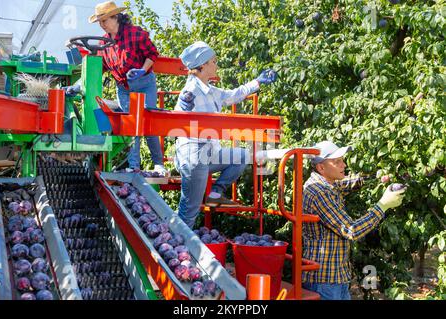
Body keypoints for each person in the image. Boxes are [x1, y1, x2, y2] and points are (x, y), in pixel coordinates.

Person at [174, 41, 277, 228]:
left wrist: (258, 82)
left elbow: (233, 95)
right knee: (190, 209)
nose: (216, 65)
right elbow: (178, 113)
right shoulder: (190, 90)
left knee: (242, 156)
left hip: (209, 153)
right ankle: (176, 248)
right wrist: (183, 105)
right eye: (213, 61)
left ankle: (215, 195)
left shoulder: (211, 91)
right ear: (202, 65)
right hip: (193, 155)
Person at [302, 140, 406, 300]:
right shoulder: (319, 192)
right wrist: (383, 205)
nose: (344, 165)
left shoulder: (328, 183)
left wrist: (379, 177)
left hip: (336, 277)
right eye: (337, 162)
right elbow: (352, 230)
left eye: (342, 160)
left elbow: (349, 182)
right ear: (321, 168)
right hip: (324, 280)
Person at [86, 1, 166, 174]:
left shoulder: (135, 33)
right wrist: (83, 83)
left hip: (144, 84)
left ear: (116, 18)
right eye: (100, 22)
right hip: (123, 87)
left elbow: (152, 54)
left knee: (148, 121)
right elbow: (102, 68)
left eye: (104, 21)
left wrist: (141, 70)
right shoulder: (103, 43)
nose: (102, 25)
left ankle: (158, 163)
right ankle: (133, 166)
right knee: (130, 126)